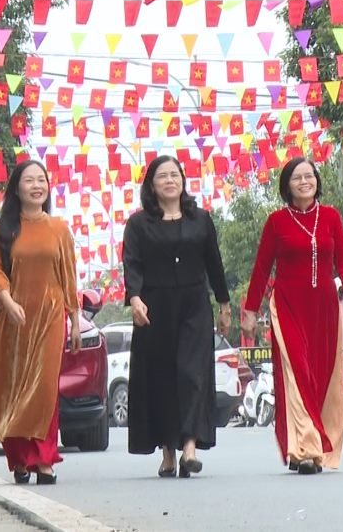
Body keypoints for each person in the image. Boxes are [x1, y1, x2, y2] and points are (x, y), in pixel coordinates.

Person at [241, 157, 343, 475]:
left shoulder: (331, 217)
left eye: (309, 176)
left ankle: (301, 446)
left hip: (323, 309)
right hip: (288, 305)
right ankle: (307, 449)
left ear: (317, 181)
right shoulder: (276, 223)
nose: (305, 182)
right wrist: (250, 310)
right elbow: (262, 269)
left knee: (320, 376)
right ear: (287, 185)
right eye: (297, 177)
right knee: (297, 374)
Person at [0, 161, 81, 485]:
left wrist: (74, 320)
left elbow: (69, 277)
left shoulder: (59, 229)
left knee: (45, 389)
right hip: (14, 319)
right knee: (15, 388)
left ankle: (45, 460)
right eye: (29, 180)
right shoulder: (2, 230)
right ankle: (20, 459)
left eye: (41, 180)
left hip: (50, 318)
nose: (36, 185)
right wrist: (8, 301)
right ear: (16, 188)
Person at [122, 155, 231, 478]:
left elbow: (214, 263)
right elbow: (132, 264)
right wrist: (135, 298)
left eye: (175, 175)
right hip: (155, 308)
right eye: (162, 176)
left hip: (194, 305)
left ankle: (189, 448)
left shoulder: (201, 219)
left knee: (193, 374)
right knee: (163, 377)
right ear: (151, 185)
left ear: (183, 181)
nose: (170, 180)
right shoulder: (139, 224)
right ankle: (168, 451)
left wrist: (224, 305)